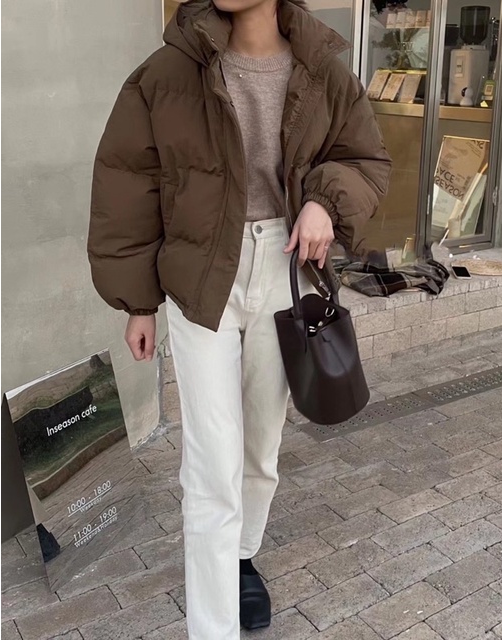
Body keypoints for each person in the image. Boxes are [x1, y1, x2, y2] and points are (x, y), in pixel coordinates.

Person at [87, 0, 392, 637]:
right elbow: (129, 183)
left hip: (284, 267)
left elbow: (366, 160)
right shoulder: (167, 73)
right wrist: (139, 302)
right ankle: (213, 625)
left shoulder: (323, 68)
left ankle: (242, 555)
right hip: (202, 277)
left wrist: (324, 203)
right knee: (211, 464)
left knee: (260, 447)